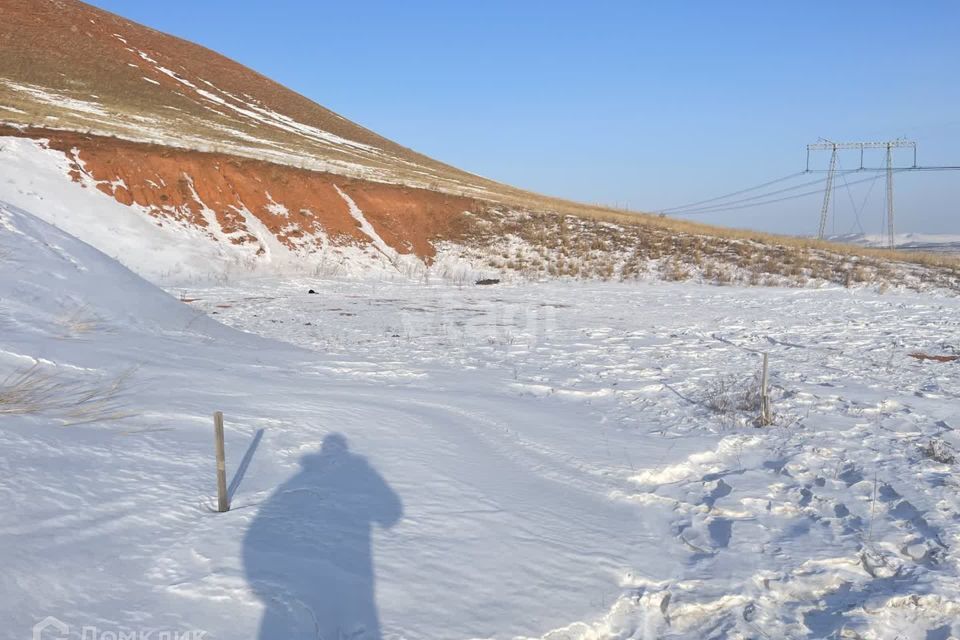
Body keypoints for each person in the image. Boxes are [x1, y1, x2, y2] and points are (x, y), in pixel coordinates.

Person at [243, 433, 402, 639]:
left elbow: (391, 513)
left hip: (341, 559)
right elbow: (391, 515)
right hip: (339, 559)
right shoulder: (357, 475)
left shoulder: (348, 475)